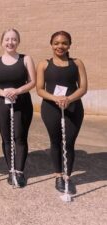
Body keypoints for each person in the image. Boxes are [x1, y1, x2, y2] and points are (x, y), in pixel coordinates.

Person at [36, 31, 87, 194]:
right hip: (51, 108)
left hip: (73, 107)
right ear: (51, 44)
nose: (60, 46)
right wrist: (55, 98)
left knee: (69, 142)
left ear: (69, 45)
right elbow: (39, 89)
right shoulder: (44, 64)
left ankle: (67, 177)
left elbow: (83, 87)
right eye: (56, 43)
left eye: (64, 43)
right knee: (55, 141)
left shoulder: (77, 63)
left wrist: (69, 99)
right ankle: (58, 175)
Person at [0, 29, 36, 187]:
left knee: (20, 136)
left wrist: (17, 91)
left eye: (14, 39)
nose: (10, 42)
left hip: (22, 102)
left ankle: (19, 171)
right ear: (2, 42)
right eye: (7, 39)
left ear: (18, 41)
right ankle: (10, 169)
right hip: (1, 104)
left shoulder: (26, 59)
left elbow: (32, 82)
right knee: (6, 137)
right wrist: (3, 92)